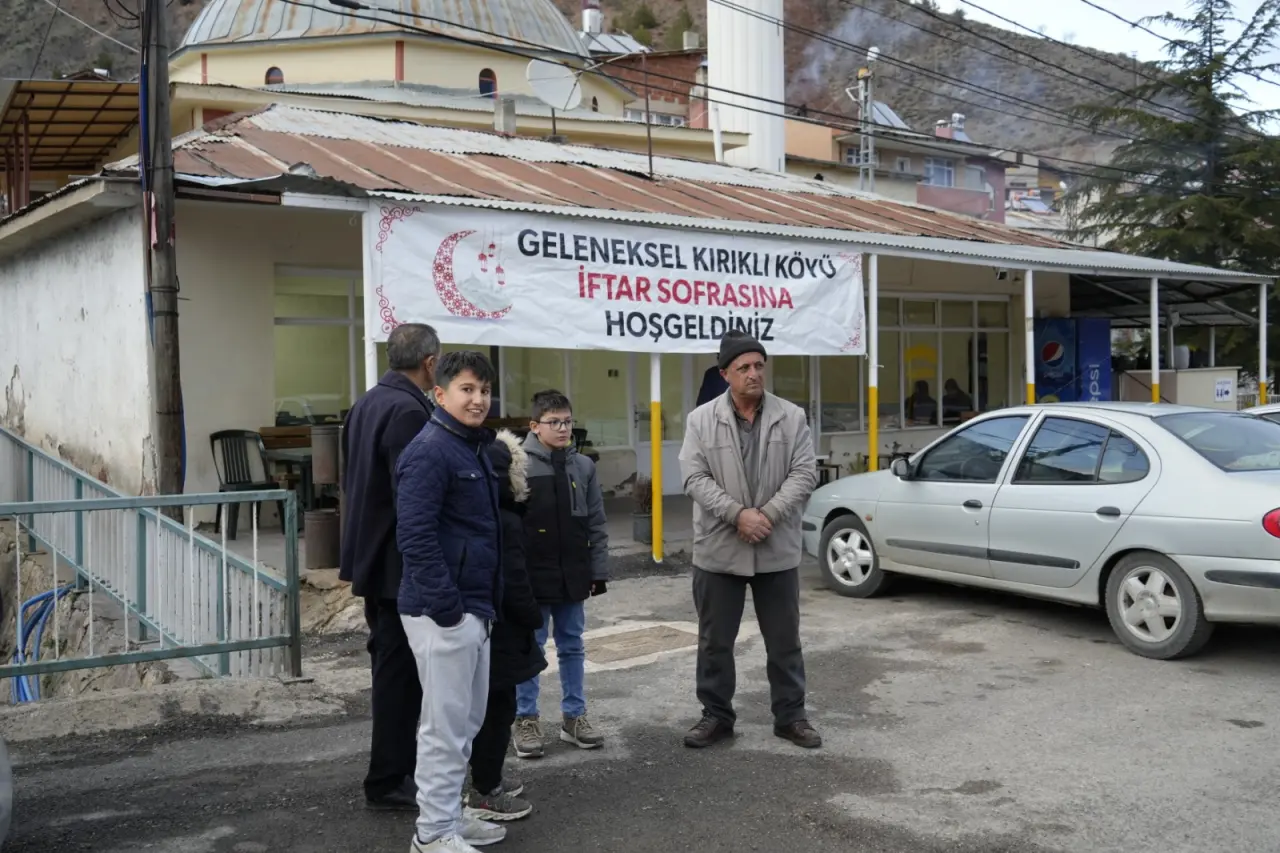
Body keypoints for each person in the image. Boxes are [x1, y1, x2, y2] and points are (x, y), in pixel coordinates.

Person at [678, 331, 821, 751]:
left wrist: (767, 515)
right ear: (725, 374)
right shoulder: (700, 420)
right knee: (715, 641)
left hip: (775, 547)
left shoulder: (791, 416)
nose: (754, 373)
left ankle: (791, 717)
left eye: (759, 365)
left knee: (784, 641)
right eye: (743, 367)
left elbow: (805, 473)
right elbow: (693, 477)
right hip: (719, 547)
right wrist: (737, 514)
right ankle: (717, 716)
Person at [396, 350, 506, 853]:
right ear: (439, 394)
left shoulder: (470, 446)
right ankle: (433, 834)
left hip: (473, 609)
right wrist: (448, 609)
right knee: (443, 727)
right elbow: (414, 536)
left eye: (484, 390)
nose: (478, 399)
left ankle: (449, 816)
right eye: (466, 389)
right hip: (443, 612)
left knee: (465, 722)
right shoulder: (430, 451)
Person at [338, 322, 439, 811]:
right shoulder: (406, 411)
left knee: (393, 669)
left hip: (373, 557)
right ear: (432, 363)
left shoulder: (368, 401)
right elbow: (412, 498)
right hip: (397, 565)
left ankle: (397, 770)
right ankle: (390, 778)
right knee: (400, 675)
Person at [511, 389, 610, 759]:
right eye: (554, 422)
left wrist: (597, 571)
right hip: (532, 578)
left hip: (573, 575)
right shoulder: (516, 464)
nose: (563, 428)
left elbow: (597, 524)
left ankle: (574, 716)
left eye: (568, 421)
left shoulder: (583, 467)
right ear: (535, 426)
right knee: (531, 647)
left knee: (572, 645)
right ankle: (526, 718)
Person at [465, 429, 546, 822]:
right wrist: (533, 616)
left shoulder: (478, 514)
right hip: (504, 630)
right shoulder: (507, 521)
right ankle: (486, 789)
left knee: (479, 707)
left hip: (481, 625)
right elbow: (515, 580)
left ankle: (482, 778)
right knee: (498, 709)